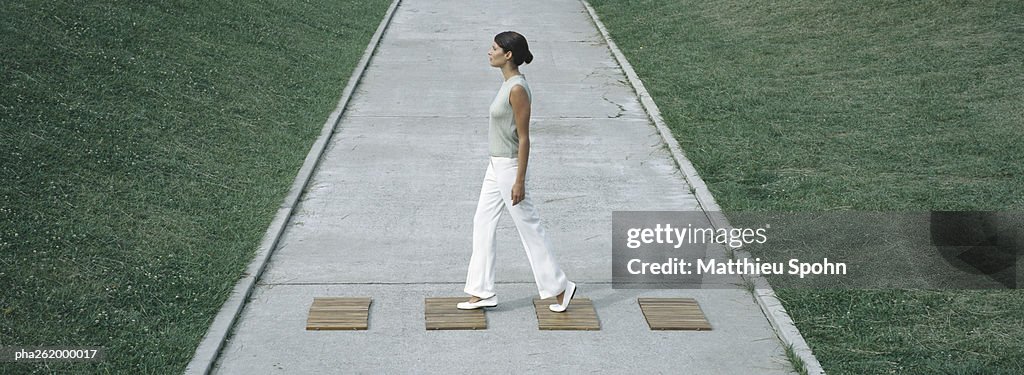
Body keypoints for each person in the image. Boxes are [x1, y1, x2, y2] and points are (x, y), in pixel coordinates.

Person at [459, 31, 577, 313]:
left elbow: (524, 138)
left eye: (494, 48)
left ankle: (561, 287)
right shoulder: (507, 84)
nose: (489, 52)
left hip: (509, 168)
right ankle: (481, 291)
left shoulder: (517, 89)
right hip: (495, 166)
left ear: (508, 55)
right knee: (482, 224)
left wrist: (519, 181)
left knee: (529, 228)